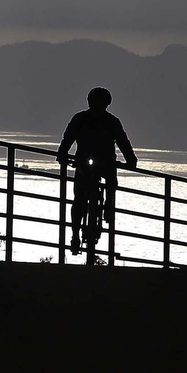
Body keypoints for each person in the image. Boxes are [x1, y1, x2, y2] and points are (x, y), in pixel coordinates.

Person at [57, 87, 137, 264]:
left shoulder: (92, 119)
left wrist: (131, 158)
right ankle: (76, 234)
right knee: (80, 197)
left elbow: (123, 141)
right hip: (90, 163)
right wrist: (62, 151)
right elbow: (68, 138)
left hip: (100, 162)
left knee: (87, 192)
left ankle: (108, 205)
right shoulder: (101, 120)